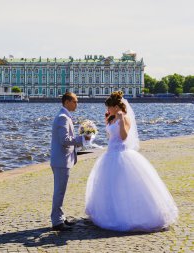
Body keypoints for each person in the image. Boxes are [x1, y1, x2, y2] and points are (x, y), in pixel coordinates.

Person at [85, 91, 178, 232]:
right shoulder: (112, 117)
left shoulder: (124, 118)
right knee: (111, 186)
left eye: (109, 107)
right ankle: (111, 213)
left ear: (116, 106)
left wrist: (121, 120)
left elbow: (123, 137)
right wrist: (107, 122)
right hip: (110, 154)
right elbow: (110, 137)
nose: (107, 110)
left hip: (122, 155)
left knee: (124, 185)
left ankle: (130, 216)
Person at [50, 92, 90, 231]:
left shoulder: (65, 116)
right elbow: (64, 141)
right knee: (59, 192)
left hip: (61, 160)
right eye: (75, 101)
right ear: (67, 102)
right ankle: (57, 222)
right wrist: (82, 139)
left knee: (60, 191)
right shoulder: (63, 118)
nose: (77, 104)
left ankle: (59, 218)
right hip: (61, 160)